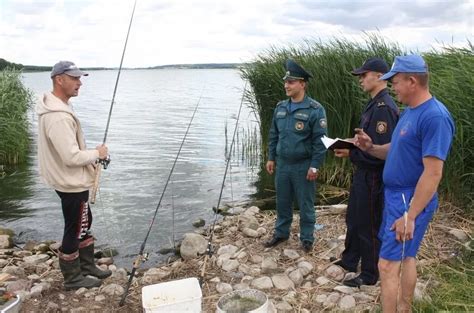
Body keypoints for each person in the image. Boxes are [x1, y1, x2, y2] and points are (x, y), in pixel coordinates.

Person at [354, 55, 454, 312]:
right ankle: (404, 307)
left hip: (408, 200)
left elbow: (433, 173)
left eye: (395, 82)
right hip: (395, 197)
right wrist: (371, 147)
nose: (392, 87)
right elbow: (395, 151)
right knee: (406, 256)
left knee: (386, 265)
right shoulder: (411, 112)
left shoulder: (435, 117)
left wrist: (410, 214)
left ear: (412, 81)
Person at [37, 61, 112, 290]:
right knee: (75, 228)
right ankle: (73, 278)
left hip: (68, 179)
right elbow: (70, 157)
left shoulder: (58, 107)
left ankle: (87, 267)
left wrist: (94, 156)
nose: (80, 83)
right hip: (70, 181)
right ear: (59, 79)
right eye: (75, 78)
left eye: (80, 78)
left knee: (84, 221)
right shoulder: (57, 116)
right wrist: (97, 154)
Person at [332, 57, 399, 287]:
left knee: (369, 223)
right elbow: (365, 144)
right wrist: (348, 145)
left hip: (373, 177)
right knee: (354, 218)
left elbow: (378, 153)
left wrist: (351, 153)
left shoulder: (384, 109)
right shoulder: (373, 104)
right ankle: (350, 260)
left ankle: (370, 274)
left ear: (379, 76)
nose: (360, 79)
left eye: (364, 75)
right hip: (363, 174)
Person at [264, 59, 328, 252]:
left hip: (303, 165)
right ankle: (281, 233)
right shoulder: (281, 107)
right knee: (282, 201)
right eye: (286, 81)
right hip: (283, 164)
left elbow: (320, 140)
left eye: (291, 82)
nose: (286, 85)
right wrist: (271, 157)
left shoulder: (315, 110)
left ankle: (307, 237)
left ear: (302, 84)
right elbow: (274, 134)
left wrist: (315, 165)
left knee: (305, 204)